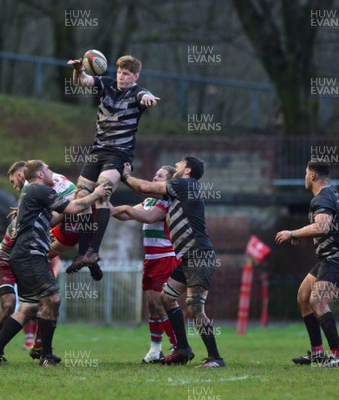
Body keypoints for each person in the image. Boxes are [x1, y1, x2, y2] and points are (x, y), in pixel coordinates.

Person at [0, 160, 111, 366]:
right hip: (30, 255)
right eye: (48, 169)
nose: (53, 172)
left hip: (27, 254)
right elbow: (73, 206)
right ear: (40, 174)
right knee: (54, 299)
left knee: (29, 308)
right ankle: (46, 355)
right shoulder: (39, 189)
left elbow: (52, 218)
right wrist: (96, 194)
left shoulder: (32, 193)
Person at [120, 156, 225, 368]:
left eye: (179, 163)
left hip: (198, 254)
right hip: (188, 257)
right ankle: (182, 349)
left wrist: (124, 176)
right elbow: (147, 192)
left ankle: (215, 358)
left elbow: (145, 187)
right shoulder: (184, 187)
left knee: (195, 307)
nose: (176, 165)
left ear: (187, 170)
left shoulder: (184, 184)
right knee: (166, 298)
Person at [65, 55, 160, 275]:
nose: (121, 76)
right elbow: (84, 81)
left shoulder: (137, 93)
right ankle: (84, 255)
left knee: (101, 194)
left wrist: (148, 99)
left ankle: (93, 251)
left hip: (119, 154)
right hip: (97, 151)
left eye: (126, 73)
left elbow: (145, 96)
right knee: (81, 197)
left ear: (135, 76)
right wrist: (79, 70)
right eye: (119, 71)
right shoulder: (106, 83)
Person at [276, 161, 339, 367]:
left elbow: (322, 227)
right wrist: (301, 234)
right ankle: (317, 352)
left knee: (318, 301)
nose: (304, 177)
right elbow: (323, 227)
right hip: (329, 257)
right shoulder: (330, 193)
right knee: (304, 296)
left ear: (312, 176)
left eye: (305, 174)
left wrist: (292, 233)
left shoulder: (322, 197)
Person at [111, 165, 179, 363]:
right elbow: (126, 215)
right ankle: (155, 350)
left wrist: (124, 207)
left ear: (168, 181)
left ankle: (178, 347)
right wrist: (103, 205)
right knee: (152, 306)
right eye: (155, 173)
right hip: (150, 259)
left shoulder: (168, 200)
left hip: (165, 257)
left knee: (162, 304)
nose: (154, 177)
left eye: (159, 175)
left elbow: (148, 217)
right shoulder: (149, 200)